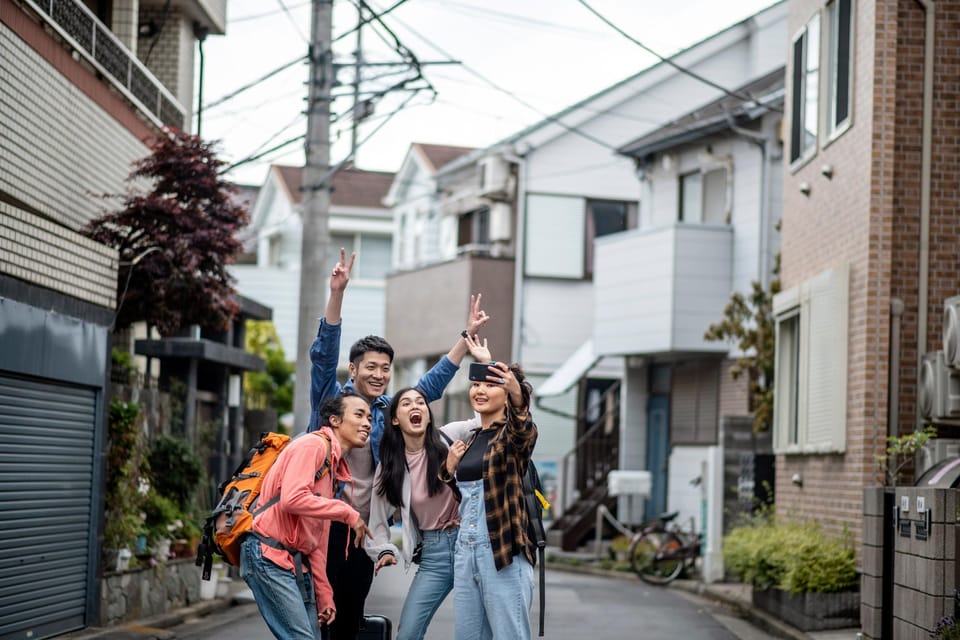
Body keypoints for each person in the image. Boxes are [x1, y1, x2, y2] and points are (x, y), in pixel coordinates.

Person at [308, 248, 490, 640]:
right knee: (315, 620)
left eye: (385, 369)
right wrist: (336, 294)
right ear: (353, 369)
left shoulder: (389, 409)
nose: (378, 375)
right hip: (321, 528)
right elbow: (323, 357)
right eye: (370, 367)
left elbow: (427, 388)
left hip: (361, 533)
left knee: (350, 621)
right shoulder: (331, 403)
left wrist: (465, 339)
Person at [240, 393, 374, 640]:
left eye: (369, 417)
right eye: (359, 415)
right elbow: (292, 499)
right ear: (334, 420)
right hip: (268, 555)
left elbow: (317, 537)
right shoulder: (313, 446)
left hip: (293, 562)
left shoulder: (333, 467)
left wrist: (324, 593)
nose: (367, 423)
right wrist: (346, 512)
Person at [442, 334, 538, 640]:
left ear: (507, 393)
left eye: (489, 385)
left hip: (502, 551)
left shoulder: (510, 439)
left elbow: (523, 426)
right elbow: (463, 499)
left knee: (509, 635)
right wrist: (449, 470)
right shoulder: (469, 438)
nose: (480, 390)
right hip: (465, 552)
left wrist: (515, 390)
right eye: (476, 385)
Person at [365, 387, 465, 640]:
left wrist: (485, 367)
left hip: (473, 545)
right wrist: (385, 550)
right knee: (408, 633)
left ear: (429, 415)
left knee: (478, 631)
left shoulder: (450, 438)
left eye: (421, 402)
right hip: (435, 554)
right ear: (395, 419)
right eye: (407, 403)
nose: (416, 407)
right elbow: (376, 524)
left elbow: (486, 419)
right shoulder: (390, 468)